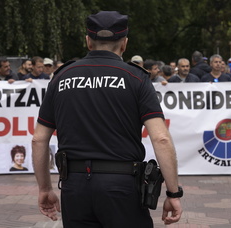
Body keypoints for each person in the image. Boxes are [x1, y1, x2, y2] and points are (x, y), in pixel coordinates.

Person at [32, 11, 182, 227]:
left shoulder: (61, 77)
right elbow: (161, 139)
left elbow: (39, 139)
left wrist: (45, 189)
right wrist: (173, 192)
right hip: (121, 185)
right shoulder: (135, 78)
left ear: (88, 41)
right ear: (124, 43)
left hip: (74, 185)